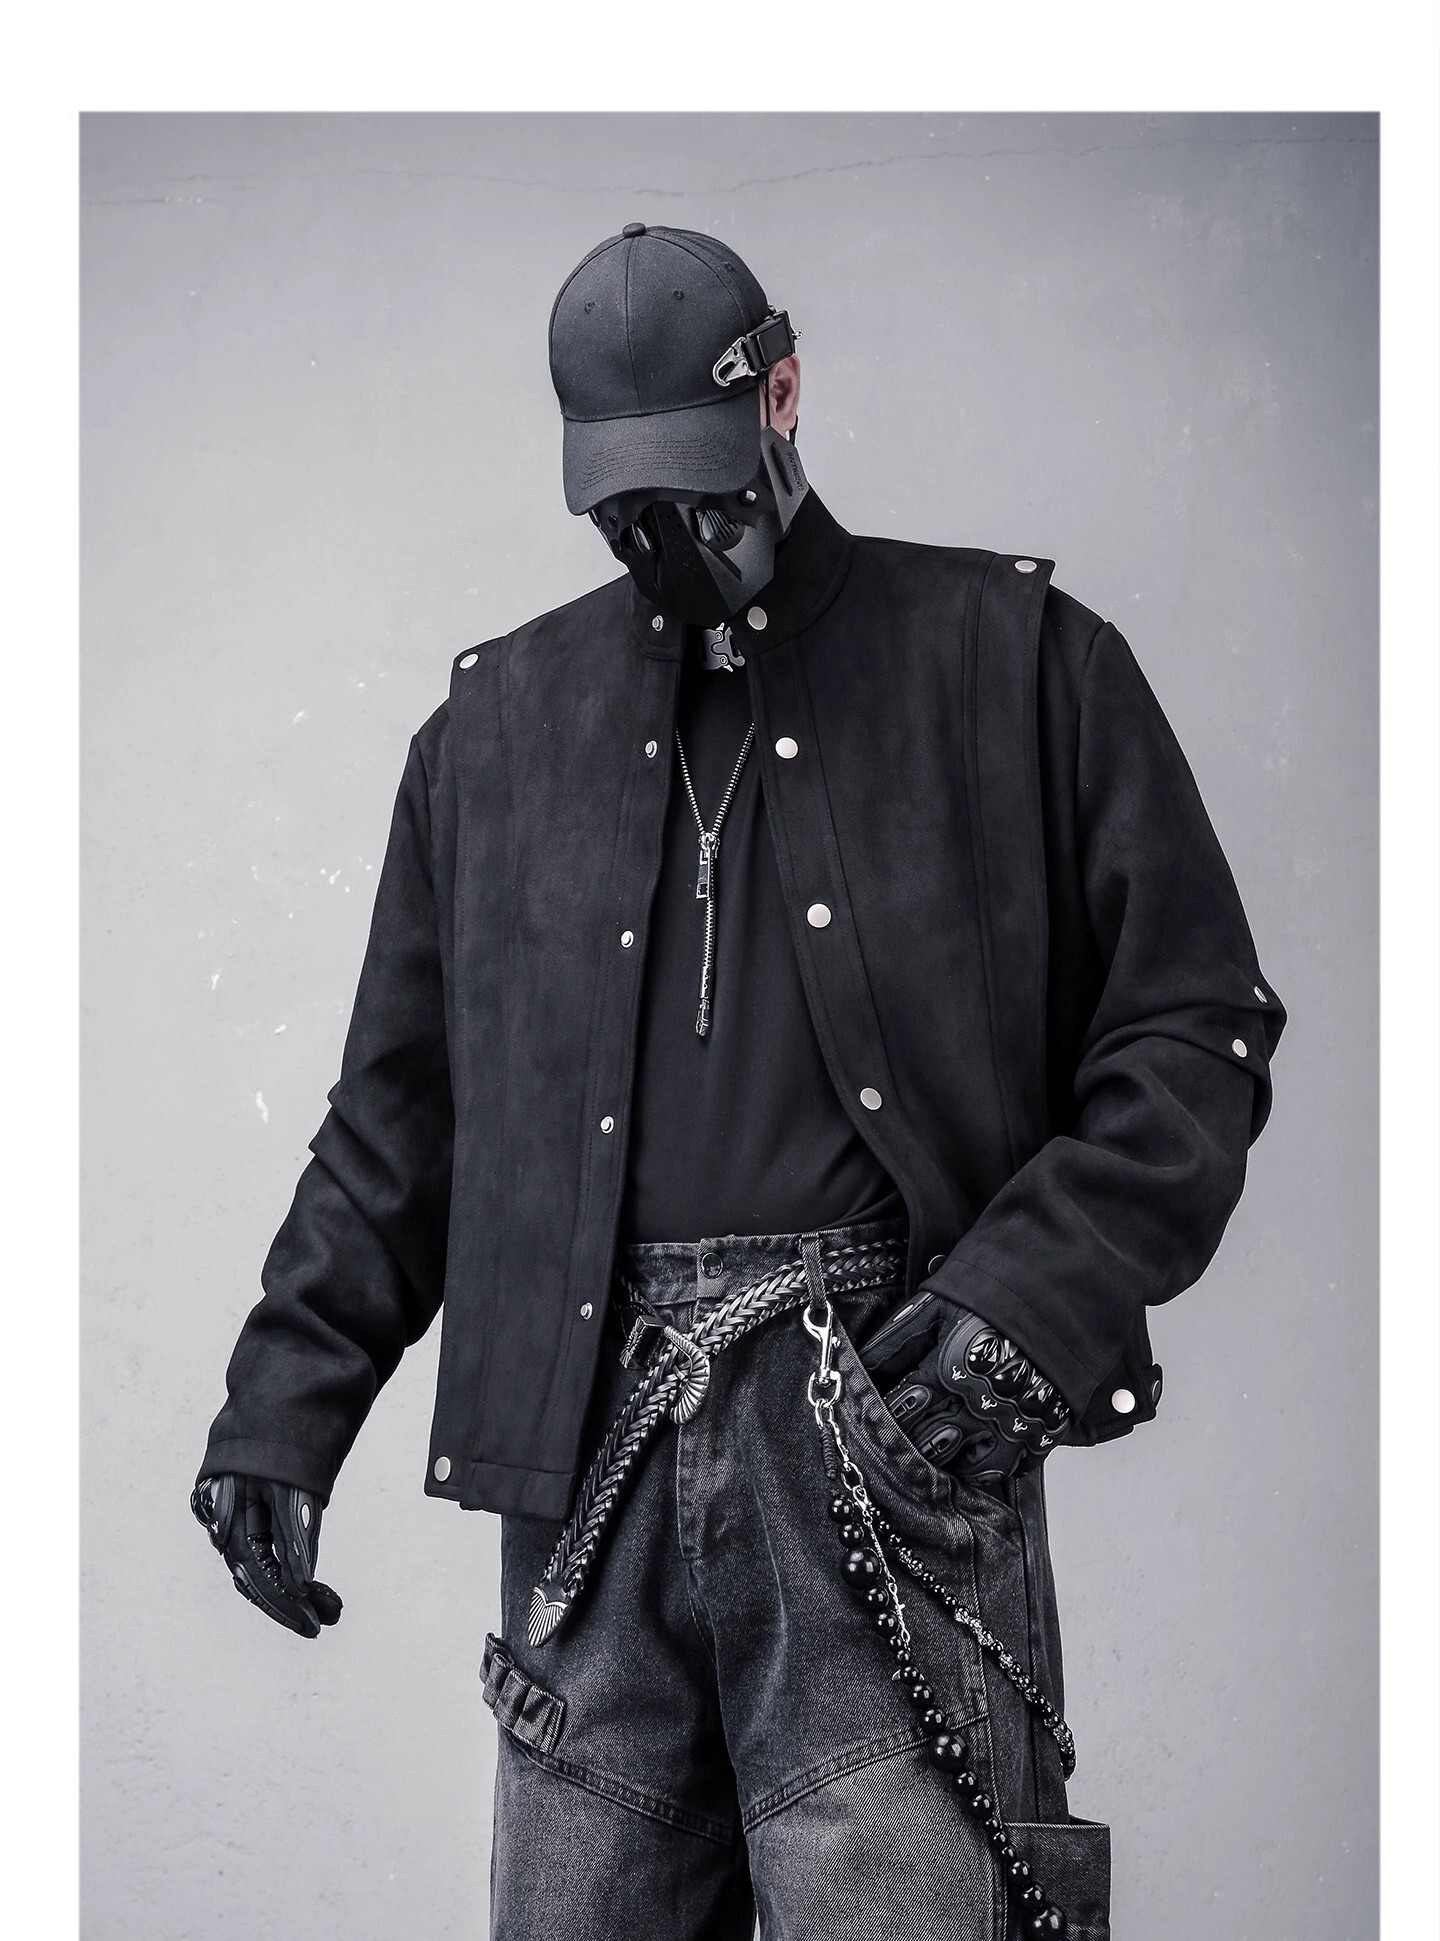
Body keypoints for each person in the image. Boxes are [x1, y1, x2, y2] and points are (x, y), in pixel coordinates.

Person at [193, 223, 1285, 1941]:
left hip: (882, 1425)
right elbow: (401, 1119)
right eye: (626, 509)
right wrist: (284, 1402)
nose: (673, 542)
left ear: (783, 393)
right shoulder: (494, 735)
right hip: (588, 1454)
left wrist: (1018, 1309)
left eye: (702, 493)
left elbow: (1195, 1028)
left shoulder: (1013, 662)